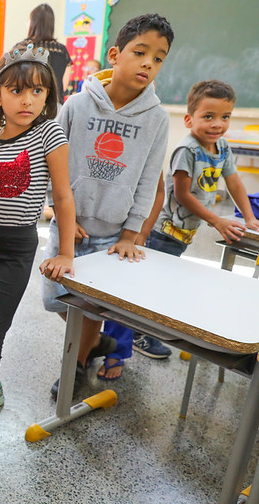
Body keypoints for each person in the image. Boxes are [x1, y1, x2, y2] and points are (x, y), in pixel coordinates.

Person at [0, 43, 76, 456]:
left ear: (48, 97)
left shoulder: (49, 134)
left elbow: (62, 196)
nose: (28, 100)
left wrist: (66, 253)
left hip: (17, 246)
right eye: (18, 91)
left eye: (38, 91)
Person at [42, 13, 174, 395]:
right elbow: (56, 164)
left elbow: (149, 179)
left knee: (91, 308)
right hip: (70, 224)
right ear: (115, 54)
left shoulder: (157, 119)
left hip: (113, 233)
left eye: (159, 58)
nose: (149, 63)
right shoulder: (77, 106)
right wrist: (62, 215)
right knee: (57, 302)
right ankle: (94, 344)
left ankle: (77, 363)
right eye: (140, 52)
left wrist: (132, 234)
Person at [133, 80, 259, 354]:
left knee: (165, 281)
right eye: (208, 117)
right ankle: (141, 335)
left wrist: (249, 217)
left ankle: (153, 329)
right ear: (189, 119)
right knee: (155, 284)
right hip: (164, 231)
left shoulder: (222, 147)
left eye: (225, 117)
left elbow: (235, 182)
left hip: (184, 232)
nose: (217, 124)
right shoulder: (187, 150)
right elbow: (182, 195)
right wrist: (216, 220)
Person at [18, 4, 72, 106]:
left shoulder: (22, 47)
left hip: (28, 104)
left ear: (33, 23)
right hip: (55, 106)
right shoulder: (62, 50)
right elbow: (63, 86)